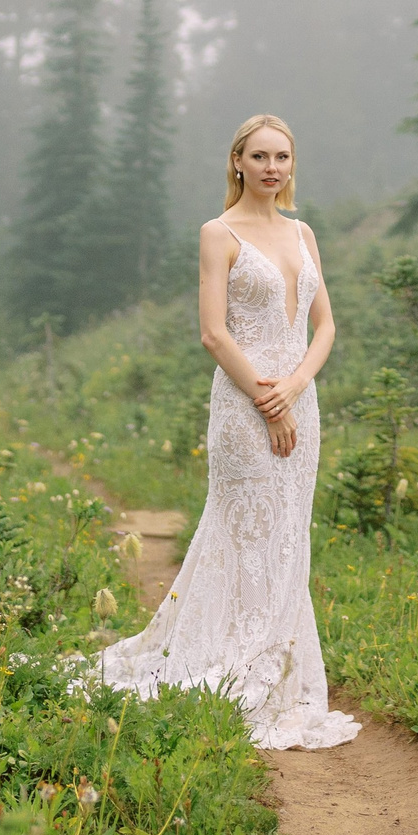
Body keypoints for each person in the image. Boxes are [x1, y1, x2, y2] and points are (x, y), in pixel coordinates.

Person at [97, 113, 362, 749]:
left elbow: (324, 326)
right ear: (237, 162)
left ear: (292, 166)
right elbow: (214, 332)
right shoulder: (219, 234)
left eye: (283, 157)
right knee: (247, 531)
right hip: (245, 408)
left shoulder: (304, 234)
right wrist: (269, 402)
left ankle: (282, 667)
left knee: (289, 533)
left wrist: (295, 387)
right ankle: (235, 663)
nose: (273, 168)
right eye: (261, 156)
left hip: (300, 399)